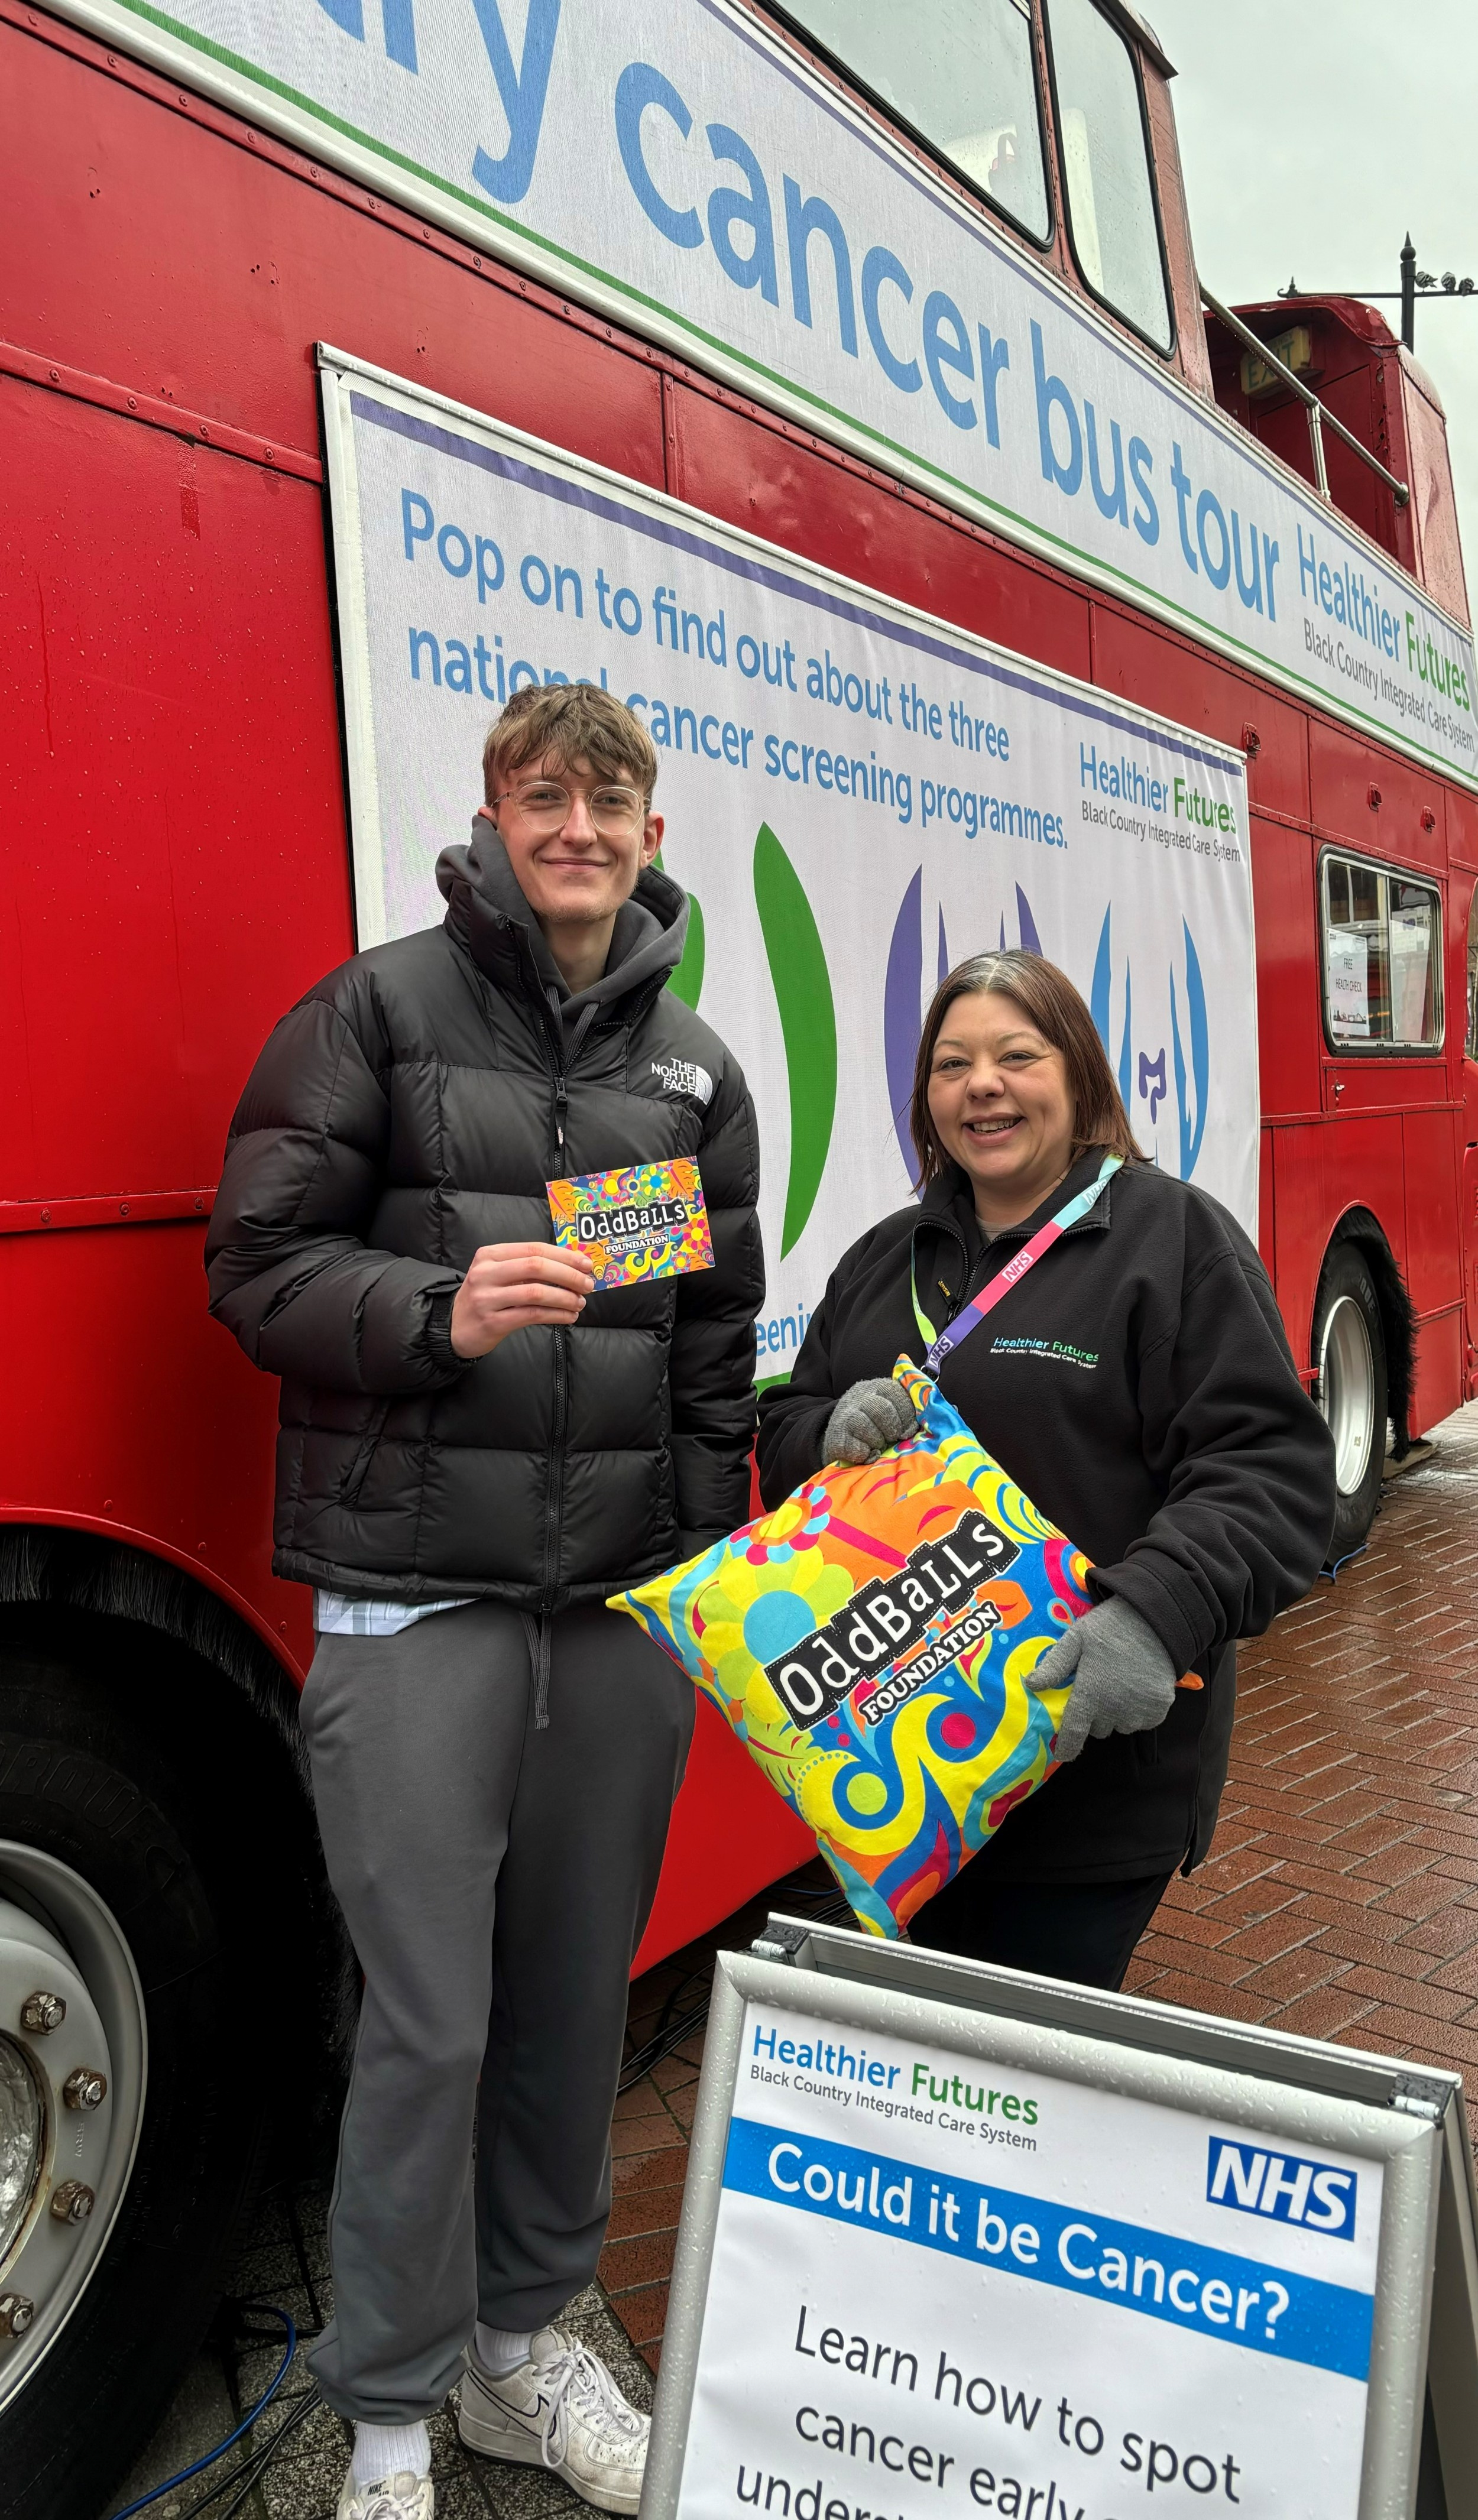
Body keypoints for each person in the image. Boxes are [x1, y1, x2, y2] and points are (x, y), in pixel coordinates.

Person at [206, 685, 762, 2520]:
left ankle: (525, 2353)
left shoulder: (692, 1072)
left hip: (613, 1620)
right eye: (545, 797)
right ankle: (383, 2417)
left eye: (609, 802)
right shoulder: (373, 1009)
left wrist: (689, 1575)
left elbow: (707, 1350)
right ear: (494, 818)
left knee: (567, 2009)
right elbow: (258, 1266)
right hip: (412, 1602)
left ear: (651, 834)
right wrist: (433, 1314)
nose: (577, 829)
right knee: (424, 2022)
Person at [756, 949, 1334, 1989]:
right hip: (895, 1779)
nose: (982, 1084)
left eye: (1016, 1056)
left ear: (1077, 1076)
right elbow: (788, 1428)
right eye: (951, 1064)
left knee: (1026, 2080)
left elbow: (1271, 1469)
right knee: (930, 2075)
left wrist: (1156, 1610)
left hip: (1088, 1775)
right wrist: (820, 1431)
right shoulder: (886, 1256)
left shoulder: (1173, 1240)